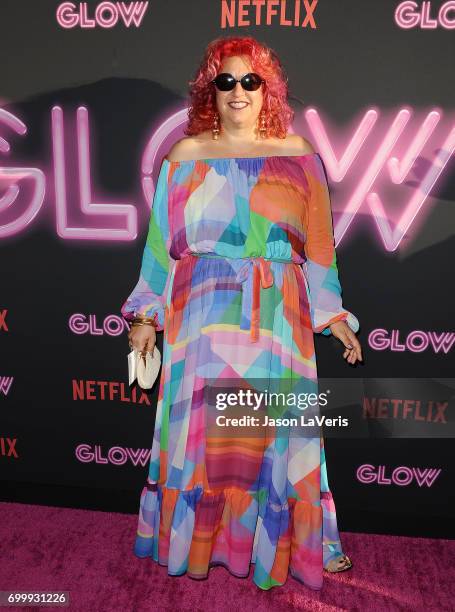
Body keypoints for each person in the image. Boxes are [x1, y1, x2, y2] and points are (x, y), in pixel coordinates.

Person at [121, 35, 362, 591]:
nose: (237, 91)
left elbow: (320, 246)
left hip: (277, 318)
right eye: (225, 81)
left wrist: (334, 316)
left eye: (249, 81)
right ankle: (200, 540)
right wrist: (143, 316)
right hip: (200, 317)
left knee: (278, 436)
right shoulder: (184, 155)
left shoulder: (299, 155)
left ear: (267, 89)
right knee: (207, 444)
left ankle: (306, 541)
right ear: (211, 89)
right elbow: (160, 247)